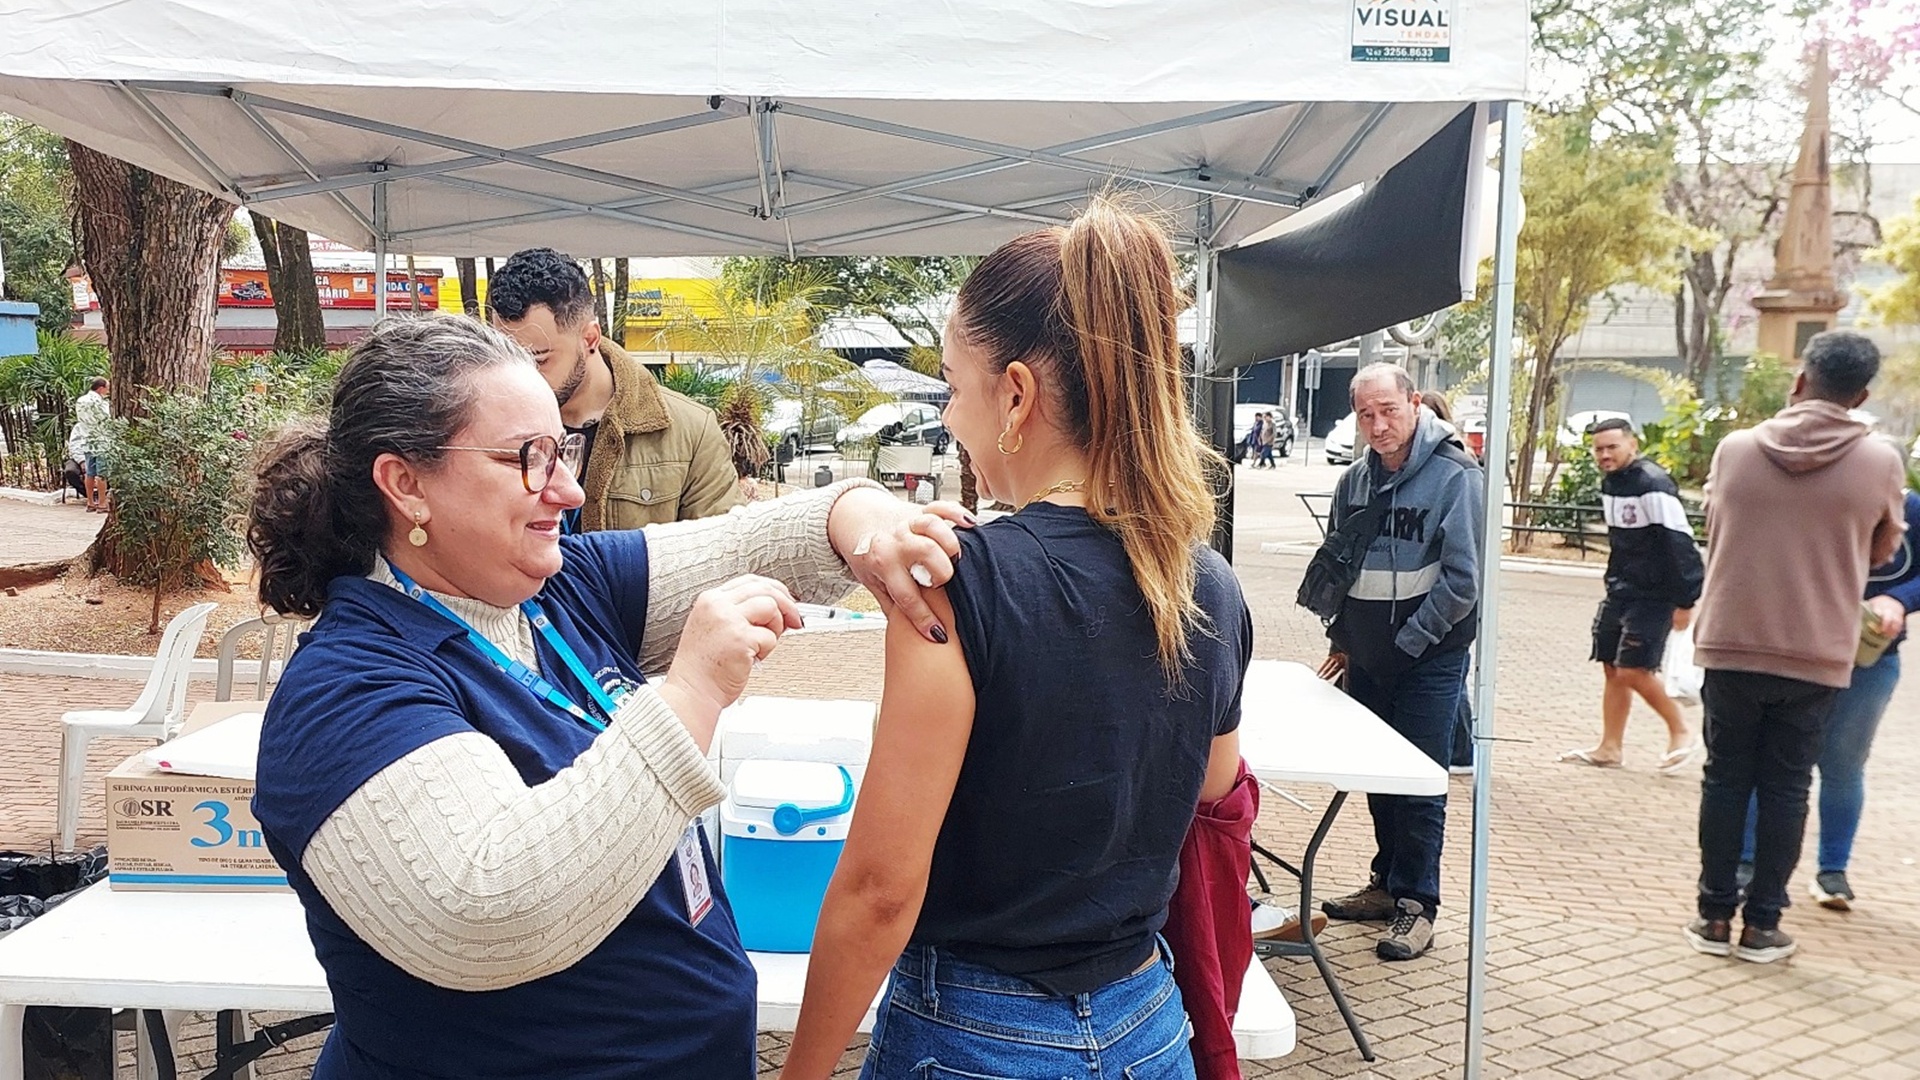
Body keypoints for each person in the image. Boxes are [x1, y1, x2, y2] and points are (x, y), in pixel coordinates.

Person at [245, 315, 966, 1079]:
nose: (569, 488)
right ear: (405, 484)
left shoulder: (555, 588)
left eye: (562, 450)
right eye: (527, 458)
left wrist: (883, 529)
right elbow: (491, 911)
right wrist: (690, 692)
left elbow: (790, 533)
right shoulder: (348, 691)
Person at [781, 202, 1251, 1080]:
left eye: (956, 387)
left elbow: (881, 891)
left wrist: (800, 1072)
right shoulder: (1207, 583)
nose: (952, 417)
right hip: (1149, 1028)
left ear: (1017, 395)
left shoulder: (961, 584)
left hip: (977, 1036)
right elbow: (1215, 786)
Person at [1685, 329, 1905, 964]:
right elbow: (1882, 548)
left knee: (1724, 780)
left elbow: (1715, 525)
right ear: (1862, 394)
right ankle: (1763, 927)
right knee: (1787, 787)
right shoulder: (1881, 461)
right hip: (1818, 650)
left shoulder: (1735, 449)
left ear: (1800, 380)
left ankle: (1712, 917)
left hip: (1731, 641)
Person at [1315, 363, 1484, 961]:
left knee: (1418, 783)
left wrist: (1411, 641)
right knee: (1375, 776)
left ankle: (1418, 903)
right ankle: (1386, 884)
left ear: (1415, 403)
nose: (1379, 425)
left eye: (1389, 410)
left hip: (1427, 658)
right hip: (1368, 658)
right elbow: (1337, 567)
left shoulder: (1456, 476)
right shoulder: (1354, 482)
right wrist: (1342, 638)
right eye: (1366, 415)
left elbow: (1464, 581)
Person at [1736, 481, 1920, 912]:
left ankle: (1832, 870)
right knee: (1773, 757)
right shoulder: (1815, 499)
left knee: (1843, 764)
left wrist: (1898, 598)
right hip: (1799, 650)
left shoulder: (1911, 510)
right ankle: (1746, 861)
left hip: (1870, 657)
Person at [488, 247, 740, 531]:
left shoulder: (690, 430)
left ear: (590, 338)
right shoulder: (487, 423)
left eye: (539, 359)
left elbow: (723, 552)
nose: (524, 377)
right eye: (510, 358)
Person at [1559, 417, 1705, 771]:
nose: (1605, 455)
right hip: (1621, 589)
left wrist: (1686, 598)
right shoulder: (1612, 484)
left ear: (1632, 445)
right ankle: (1610, 746)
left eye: (1612, 447)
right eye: (1599, 449)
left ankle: (1680, 730)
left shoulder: (1652, 484)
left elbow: (1679, 541)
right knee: (1610, 664)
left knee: (1633, 670)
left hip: (1655, 594)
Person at [70, 376, 110, 512]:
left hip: (86, 440)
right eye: (107, 388)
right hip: (100, 441)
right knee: (101, 474)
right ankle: (102, 503)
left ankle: (90, 502)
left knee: (90, 473)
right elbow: (106, 418)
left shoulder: (80, 401)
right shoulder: (99, 402)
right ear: (100, 388)